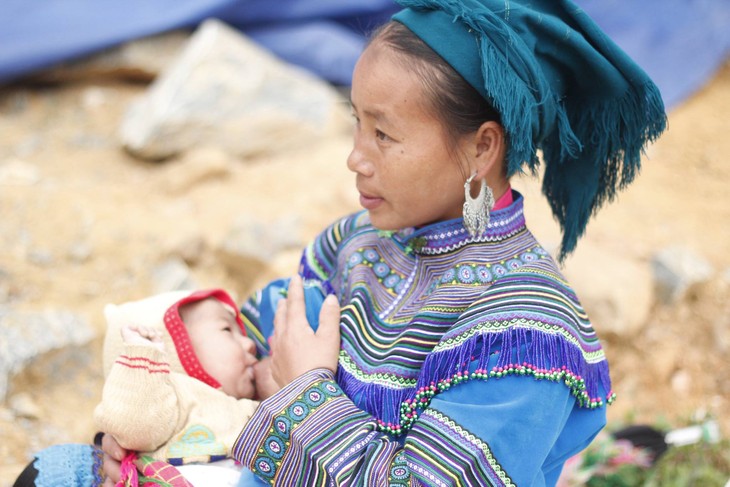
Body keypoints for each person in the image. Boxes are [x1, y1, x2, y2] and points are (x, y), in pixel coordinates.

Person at [95, 0, 669, 484]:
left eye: (384, 134)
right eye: (357, 122)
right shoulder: (353, 244)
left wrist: (305, 392)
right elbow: (238, 351)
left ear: (481, 149)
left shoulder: (525, 334)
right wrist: (146, 420)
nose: (355, 157)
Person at [15, 283, 324, 487]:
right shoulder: (168, 398)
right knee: (62, 469)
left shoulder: (244, 407)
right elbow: (132, 420)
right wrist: (142, 357)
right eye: (226, 330)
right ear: (175, 350)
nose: (250, 344)